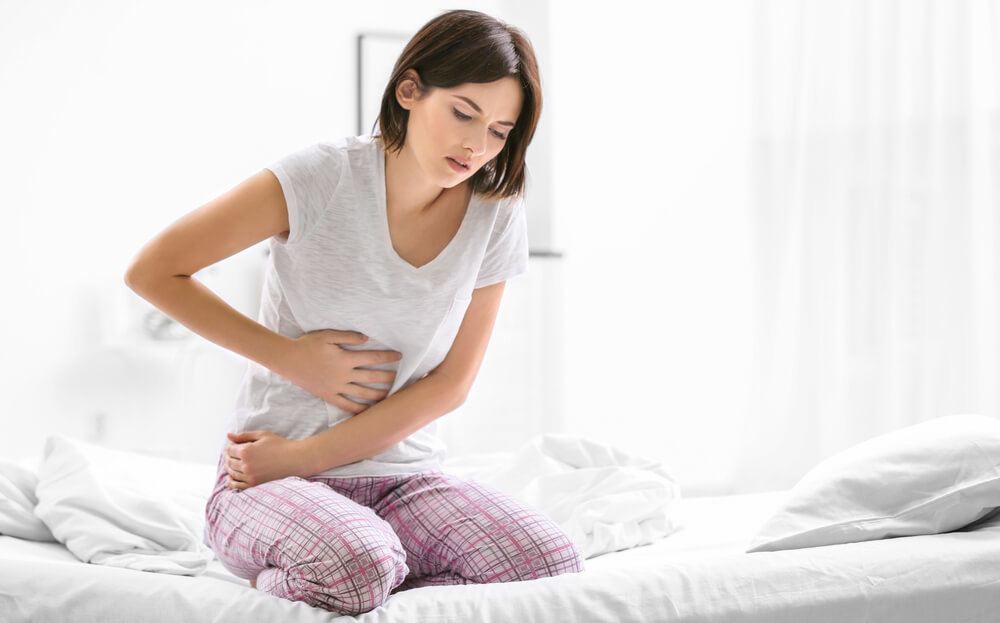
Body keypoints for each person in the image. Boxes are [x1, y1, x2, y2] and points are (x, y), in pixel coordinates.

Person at [123, 8, 584, 617]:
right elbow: (153, 271)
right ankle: (322, 570)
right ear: (410, 90)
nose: (477, 145)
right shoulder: (322, 177)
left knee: (548, 562)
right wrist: (292, 361)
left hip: (401, 479)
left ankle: (378, 571)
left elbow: (451, 385)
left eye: (500, 131)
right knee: (358, 565)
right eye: (463, 113)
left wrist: (308, 455)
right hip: (266, 479)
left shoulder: (495, 212)